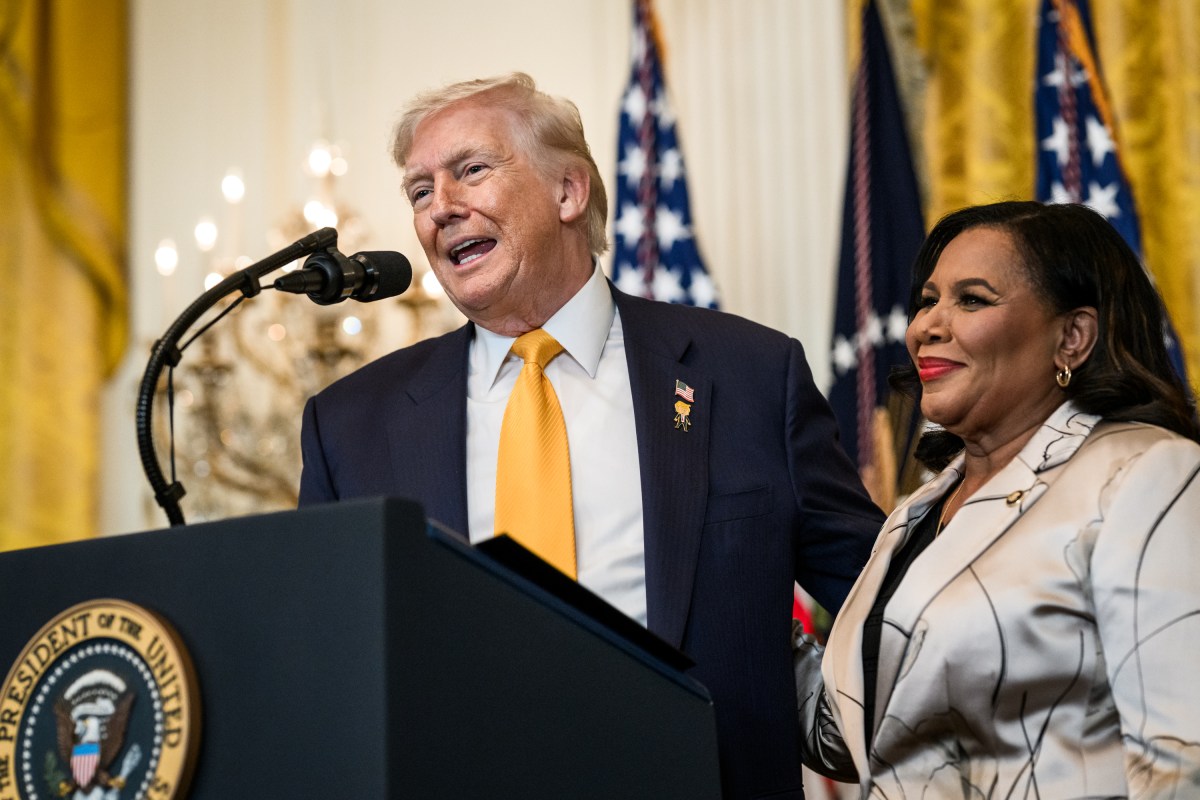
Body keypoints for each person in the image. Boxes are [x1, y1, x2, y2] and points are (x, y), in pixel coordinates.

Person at [296, 72, 882, 798]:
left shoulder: (750, 376)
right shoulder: (351, 424)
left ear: (569, 192)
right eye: (419, 191)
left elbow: (886, 601)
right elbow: (324, 663)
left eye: (471, 171)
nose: (441, 208)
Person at [794, 200, 1200, 797]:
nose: (925, 326)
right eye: (929, 299)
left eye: (972, 299)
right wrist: (713, 579)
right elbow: (848, 736)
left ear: (1073, 337)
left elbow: (1181, 763)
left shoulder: (1144, 473)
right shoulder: (917, 511)